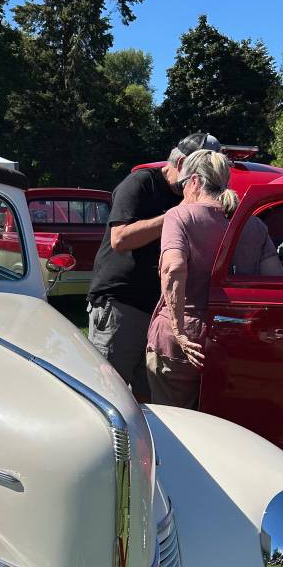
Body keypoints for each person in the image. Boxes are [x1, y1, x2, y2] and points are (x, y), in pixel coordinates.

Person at [87, 133, 222, 398]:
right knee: (106, 393)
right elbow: (120, 239)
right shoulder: (141, 182)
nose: (200, 184)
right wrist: (176, 214)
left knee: (148, 398)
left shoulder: (189, 198)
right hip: (121, 304)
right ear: (182, 163)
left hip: (158, 312)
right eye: (199, 173)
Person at [145, 150, 281, 408]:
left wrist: (179, 331)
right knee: (222, 420)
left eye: (183, 184)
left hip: (182, 339)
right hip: (233, 336)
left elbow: (173, 269)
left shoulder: (180, 216)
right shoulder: (253, 225)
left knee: (175, 423)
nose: (183, 192)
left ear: (194, 181)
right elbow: (275, 281)